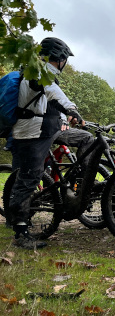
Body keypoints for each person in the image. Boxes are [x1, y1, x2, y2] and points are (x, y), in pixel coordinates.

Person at [9, 37, 93, 249]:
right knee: (30, 177)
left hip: (49, 130)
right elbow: (54, 95)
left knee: (86, 138)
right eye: (65, 59)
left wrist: (69, 117)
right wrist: (71, 109)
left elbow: (52, 102)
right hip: (30, 133)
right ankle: (20, 231)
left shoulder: (46, 75)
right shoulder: (37, 73)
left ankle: (78, 184)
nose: (65, 63)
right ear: (59, 59)